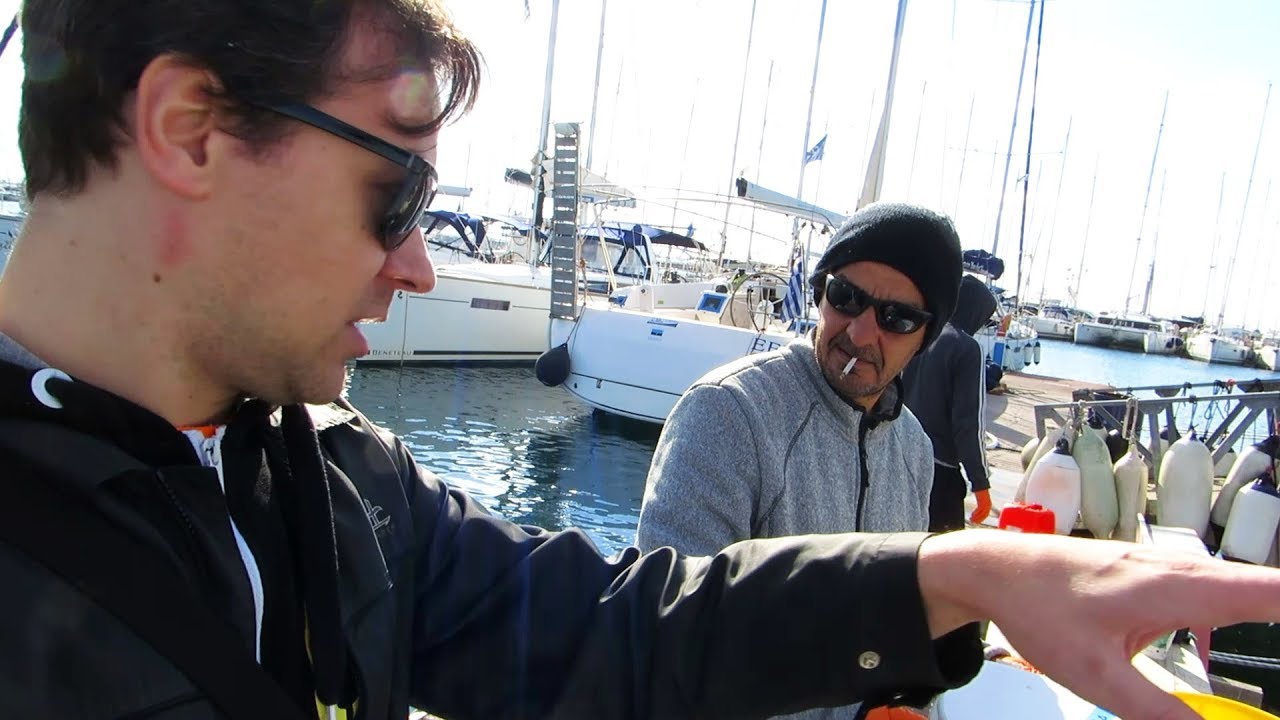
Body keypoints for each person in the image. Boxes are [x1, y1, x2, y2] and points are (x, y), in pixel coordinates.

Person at [1, 3, 1280, 720]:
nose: (420, 267)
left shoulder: (341, 482)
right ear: (190, 130)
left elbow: (625, 629)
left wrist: (956, 573)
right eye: (396, 197)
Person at [637, 203, 963, 560]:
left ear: (925, 339)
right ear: (820, 293)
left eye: (898, 318)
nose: (860, 334)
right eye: (846, 297)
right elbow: (674, 589)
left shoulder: (914, 448)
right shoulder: (728, 412)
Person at [902, 275, 999, 532]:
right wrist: (980, 483)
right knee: (941, 551)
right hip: (940, 471)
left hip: (902, 457)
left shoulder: (922, 333)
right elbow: (968, 422)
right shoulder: (967, 348)